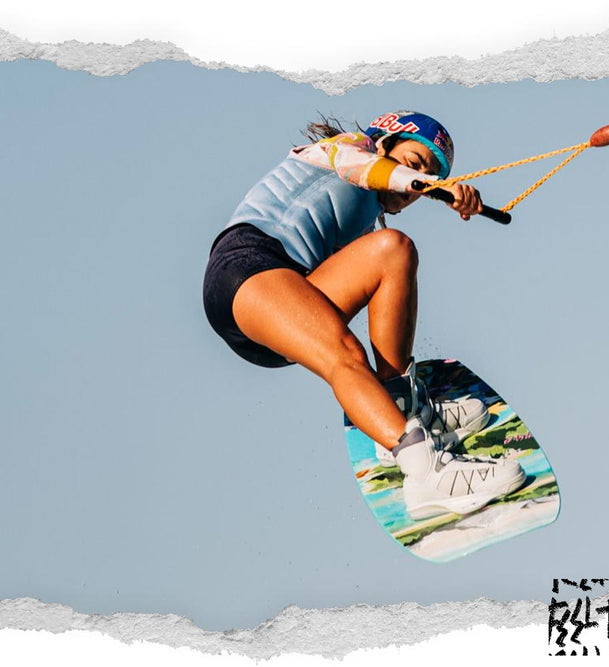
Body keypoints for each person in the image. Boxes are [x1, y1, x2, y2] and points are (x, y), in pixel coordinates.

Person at [202, 110, 526, 519]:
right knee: (347, 355)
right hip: (244, 272)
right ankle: (426, 473)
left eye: (431, 175)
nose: (417, 184)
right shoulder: (345, 149)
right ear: (387, 140)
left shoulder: (368, 221)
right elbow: (368, 169)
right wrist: (439, 190)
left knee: (393, 250)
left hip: (292, 302)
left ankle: (399, 406)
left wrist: (434, 188)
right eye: (415, 161)